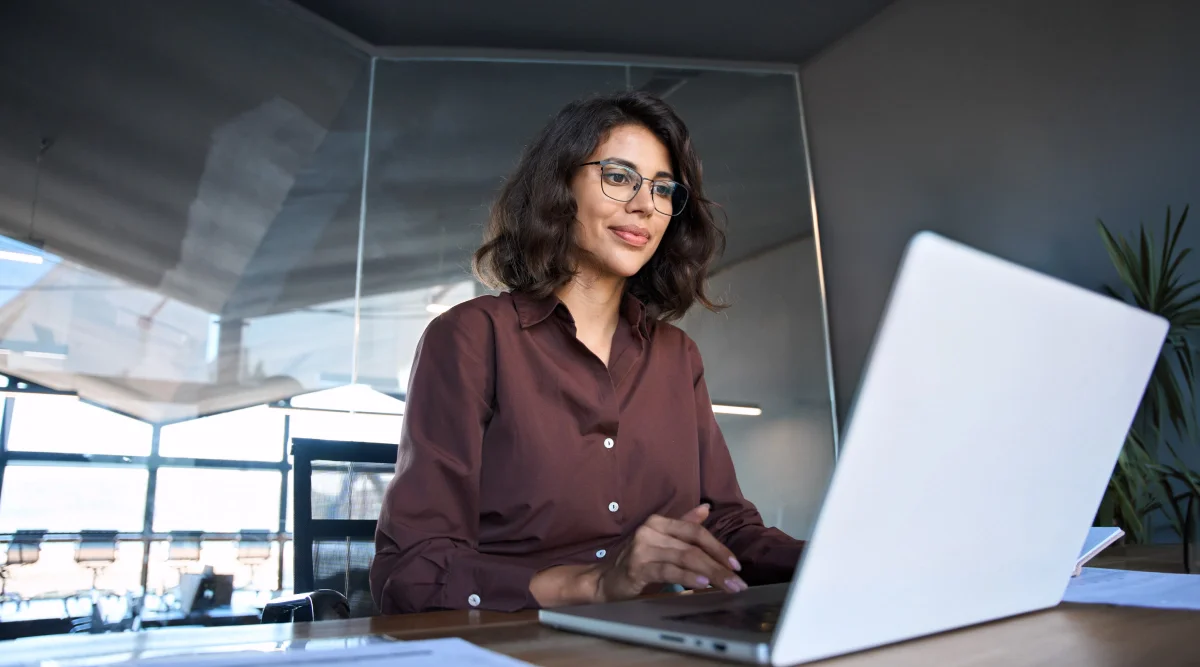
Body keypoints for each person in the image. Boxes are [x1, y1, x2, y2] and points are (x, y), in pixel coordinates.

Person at [370, 90, 805, 615]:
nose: (645, 205)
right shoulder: (470, 337)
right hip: (517, 639)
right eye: (619, 177)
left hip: (661, 636)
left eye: (663, 189)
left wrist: (834, 558)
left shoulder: (677, 356)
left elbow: (726, 527)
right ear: (559, 187)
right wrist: (593, 584)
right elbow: (411, 571)